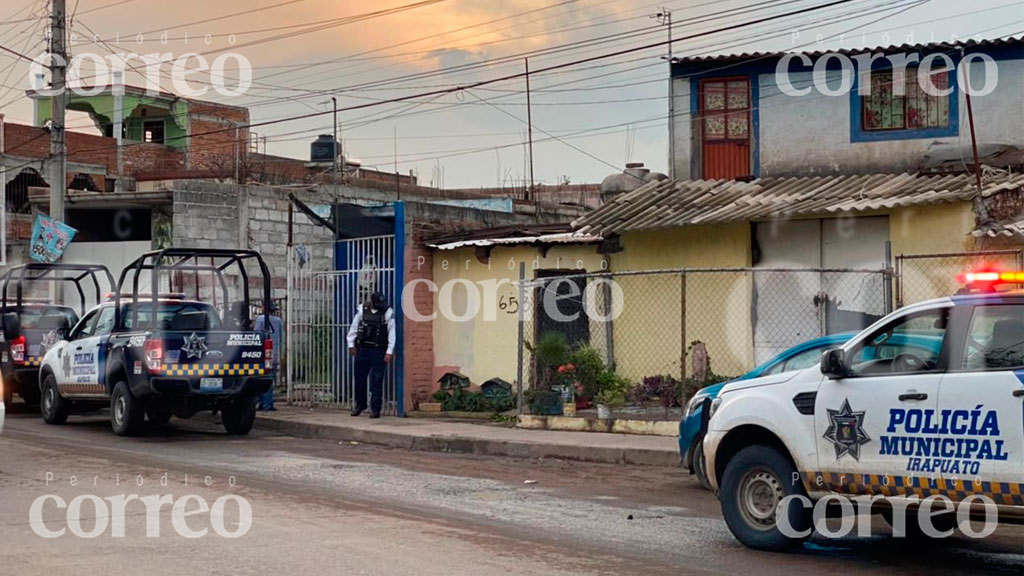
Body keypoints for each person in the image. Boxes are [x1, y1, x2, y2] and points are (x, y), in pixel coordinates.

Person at [346, 291, 395, 418]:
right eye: (377, 303)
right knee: (359, 379)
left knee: (376, 381)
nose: (379, 305)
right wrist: (351, 344)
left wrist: (389, 351)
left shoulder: (388, 312)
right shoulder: (362, 310)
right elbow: (354, 328)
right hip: (363, 349)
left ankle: (375, 409)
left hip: (379, 350)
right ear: (372, 302)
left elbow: (391, 333)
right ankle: (360, 405)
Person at [254, 303, 284, 411]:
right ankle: (268, 403)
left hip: (263, 353)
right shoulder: (279, 321)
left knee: (262, 378)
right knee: (271, 378)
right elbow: (281, 337)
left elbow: (256, 335)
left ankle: (264, 403)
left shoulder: (260, 319)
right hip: (274, 353)